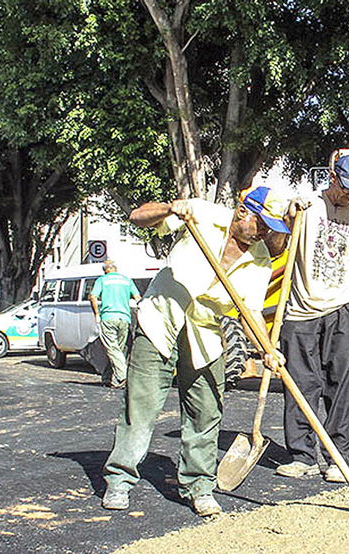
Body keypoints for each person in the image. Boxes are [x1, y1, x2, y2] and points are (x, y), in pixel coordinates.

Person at [101, 186, 290, 516]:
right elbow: (137, 216)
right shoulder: (203, 214)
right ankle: (119, 479)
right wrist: (172, 209)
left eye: (270, 228)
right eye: (262, 224)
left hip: (204, 331)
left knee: (207, 409)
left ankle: (199, 486)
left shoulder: (259, 261)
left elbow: (251, 313)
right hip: (161, 318)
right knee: (141, 404)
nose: (264, 234)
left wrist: (268, 349)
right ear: (243, 211)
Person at [275, 153, 349, 483]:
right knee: (300, 384)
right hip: (301, 309)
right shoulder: (307, 207)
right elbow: (277, 246)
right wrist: (288, 219)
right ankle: (303, 456)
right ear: (333, 178)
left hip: (345, 308)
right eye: (348, 187)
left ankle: (339, 458)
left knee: (346, 385)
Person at [89, 260, 141, 389]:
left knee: (112, 349)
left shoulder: (102, 280)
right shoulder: (127, 280)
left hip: (108, 317)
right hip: (124, 318)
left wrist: (96, 313)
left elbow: (93, 297)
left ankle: (123, 376)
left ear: (105, 270)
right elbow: (138, 297)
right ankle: (108, 377)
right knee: (118, 350)